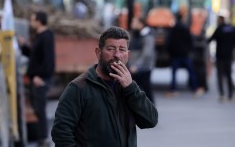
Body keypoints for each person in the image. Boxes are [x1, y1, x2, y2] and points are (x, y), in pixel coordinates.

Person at [51, 26, 158, 146]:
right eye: (111, 49)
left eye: (122, 49)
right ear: (98, 52)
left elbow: (151, 121)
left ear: (127, 55)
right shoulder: (78, 88)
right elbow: (61, 133)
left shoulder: (128, 87)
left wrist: (130, 88)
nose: (117, 55)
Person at [19, 10, 55, 147]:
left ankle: (44, 139)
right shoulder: (38, 36)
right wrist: (24, 45)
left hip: (41, 79)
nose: (31, 22)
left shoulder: (47, 37)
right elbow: (34, 55)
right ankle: (42, 138)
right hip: (35, 77)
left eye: (33, 19)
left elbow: (48, 61)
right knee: (36, 107)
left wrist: (41, 77)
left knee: (40, 108)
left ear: (39, 21)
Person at [165, 12, 203, 97]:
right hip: (184, 54)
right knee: (191, 71)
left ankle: (173, 90)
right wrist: (189, 51)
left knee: (174, 73)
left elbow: (169, 42)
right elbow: (190, 41)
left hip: (175, 55)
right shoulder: (185, 28)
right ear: (182, 18)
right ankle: (195, 89)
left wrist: (169, 52)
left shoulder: (173, 29)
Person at [207, 12, 235, 102]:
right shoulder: (232, 29)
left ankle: (222, 94)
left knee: (220, 76)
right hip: (229, 56)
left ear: (220, 20)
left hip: (220, 57)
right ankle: (230, 94)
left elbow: (210, 40)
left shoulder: (219, 29)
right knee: (228, 75)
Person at [128, 17, 156, 104]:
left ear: (140, 24)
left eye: (134, 22)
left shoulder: (147, 35)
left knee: (146, 89)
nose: (132, 24)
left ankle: (151, 109)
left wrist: (136, 65)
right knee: (137, 89)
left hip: (143, 68)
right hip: (134, 67)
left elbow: (147, 53)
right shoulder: (135, 34)